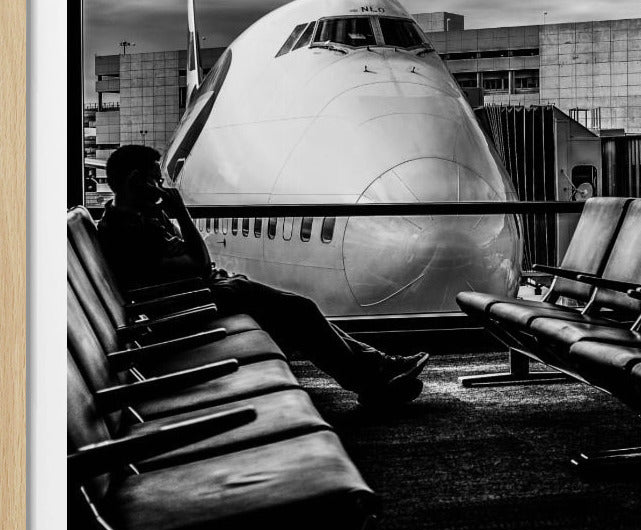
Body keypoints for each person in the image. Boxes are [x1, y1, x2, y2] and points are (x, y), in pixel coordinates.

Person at [97, 145, 428, 407]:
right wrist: (180, 210)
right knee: (300, 311)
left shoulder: (135, 218)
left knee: (300, 311)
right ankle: (373, 377)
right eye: (155, 179)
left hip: (201, 292)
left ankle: (378, 370)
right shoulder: (127, 230)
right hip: (191, 303)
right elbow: (199, 262)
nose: (162, 187)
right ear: (136, 180)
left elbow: (188, 262)